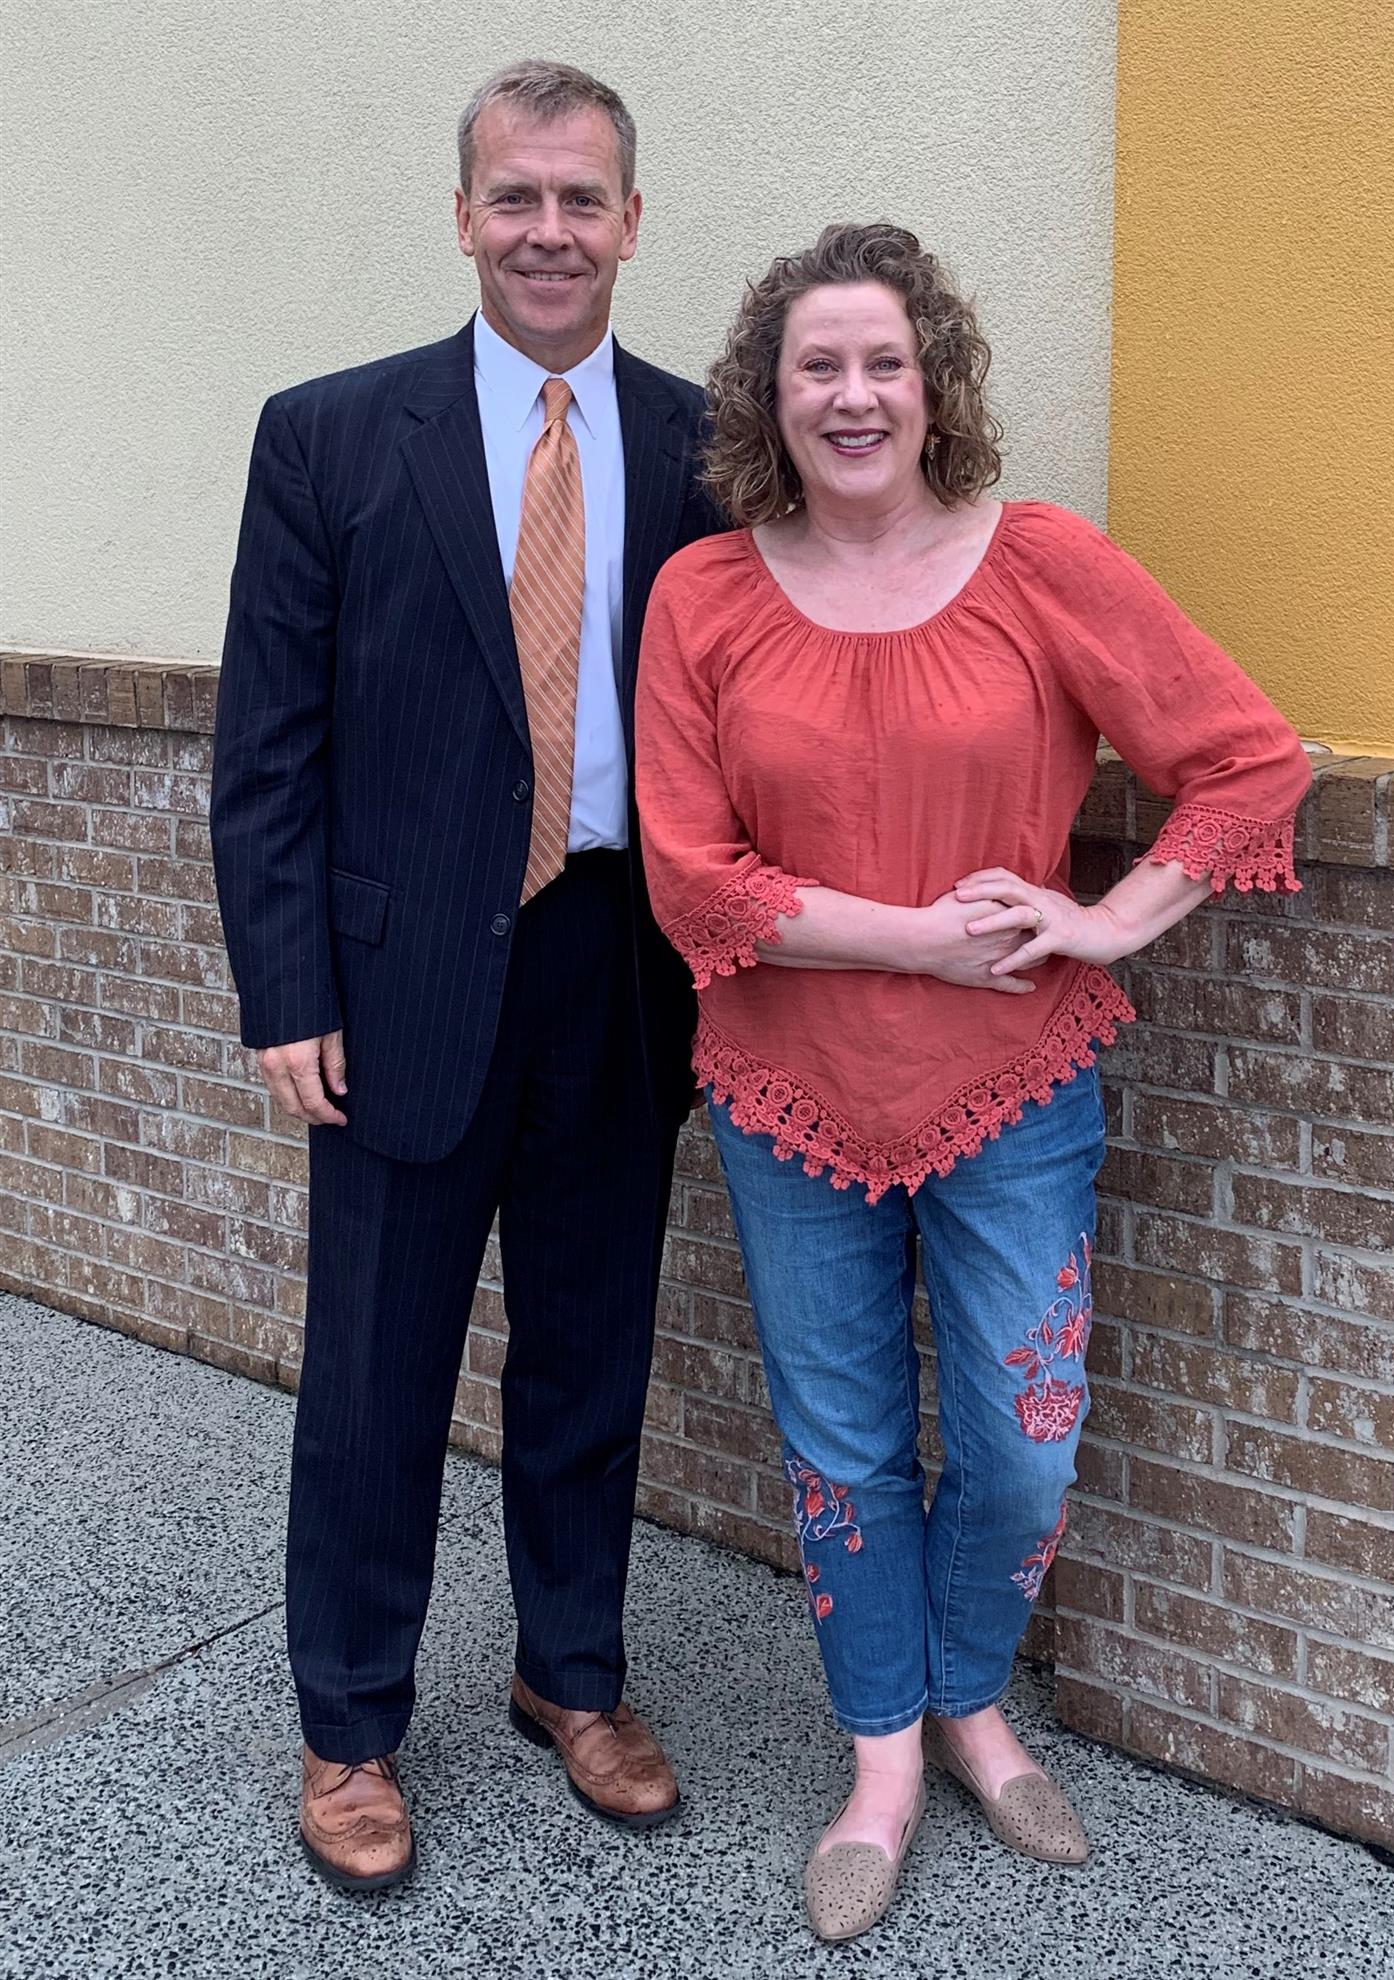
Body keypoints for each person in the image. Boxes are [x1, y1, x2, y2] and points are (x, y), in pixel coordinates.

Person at [636, 221, 1312, 1942]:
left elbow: (1245, 761)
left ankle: (969, 1700)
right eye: (817, 366)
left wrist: (1105, 921)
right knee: (841, 1444)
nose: (852, 394)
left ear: (932, 382)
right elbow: (693, 882)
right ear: (769, 397)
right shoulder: (702, 594)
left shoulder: (1040, 564)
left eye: (883, 360)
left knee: (1021, 1445)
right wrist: (919, 943)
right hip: (786, 1094)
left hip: (1013, 1085)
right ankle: (880, 1758)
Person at [210, 61, 720, 1891]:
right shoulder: (331, 436)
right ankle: (349, 1718)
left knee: (590, 1350)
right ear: (462, 216)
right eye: (517, 196)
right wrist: (286, 989)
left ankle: (569, 1674)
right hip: (399, 973)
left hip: (619, 964)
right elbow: (267, 743)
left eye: (582, 199)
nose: (548, 231)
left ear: (631, 222)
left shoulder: (706, 449)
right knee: (376, 1368)